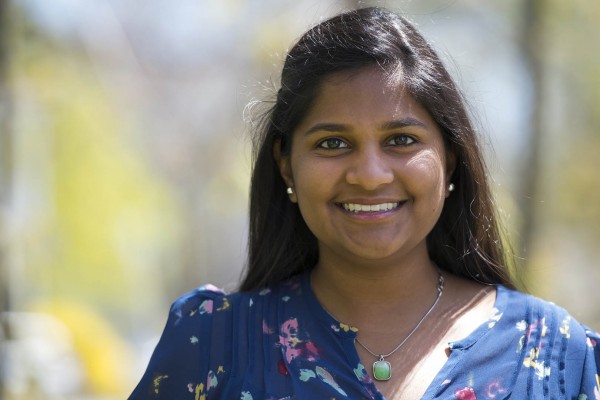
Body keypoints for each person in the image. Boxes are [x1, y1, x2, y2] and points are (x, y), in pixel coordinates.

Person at [129, 7, 600, 400]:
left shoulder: (556, 355)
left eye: (400, 139)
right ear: (287, 166)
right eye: (332, 144)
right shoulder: (213, 346)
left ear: (450, 160)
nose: (370, 175)